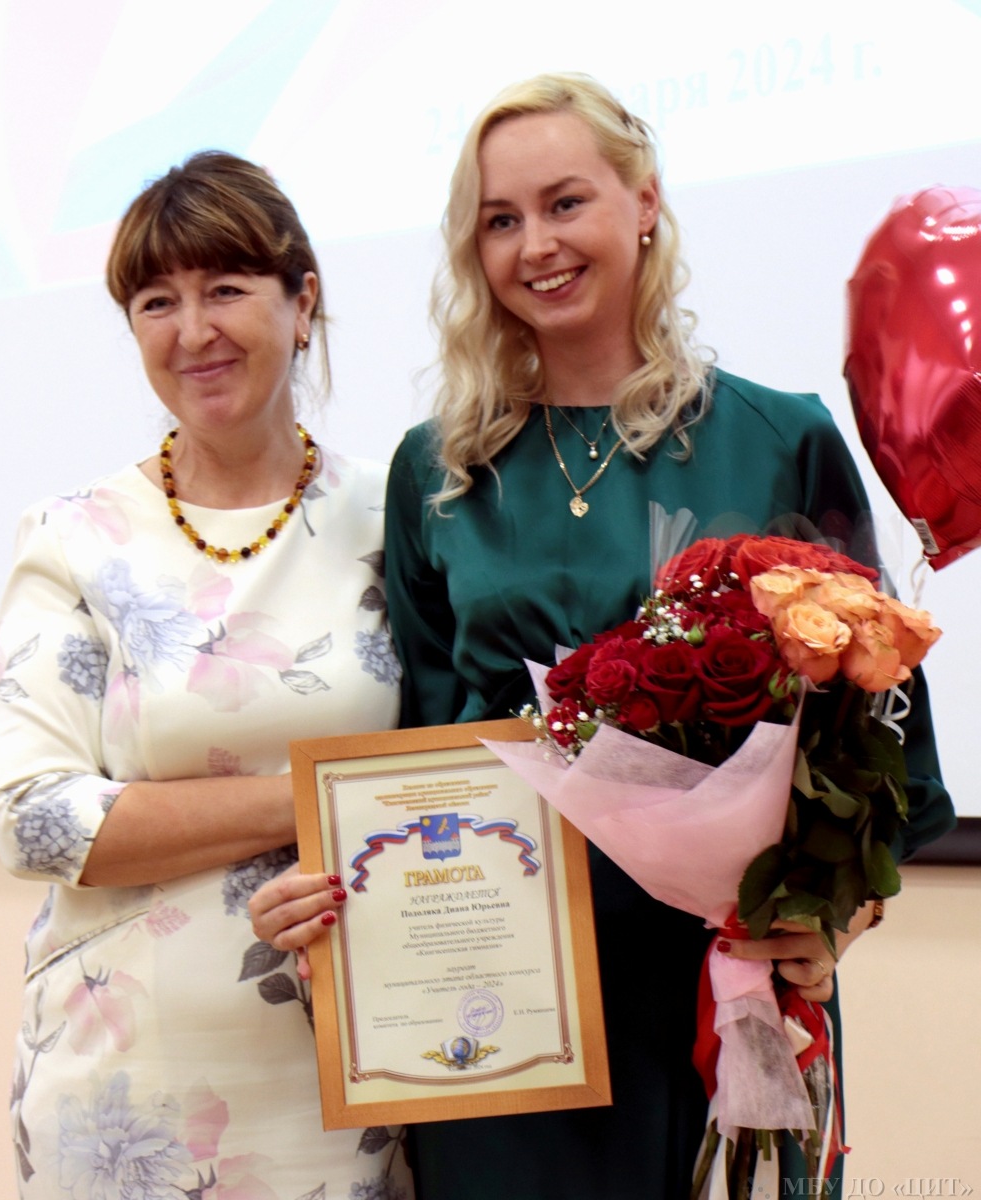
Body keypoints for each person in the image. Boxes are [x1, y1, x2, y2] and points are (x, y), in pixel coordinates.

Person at [250, 75, 954, 1198]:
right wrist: (343, 887)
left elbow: (884, 745)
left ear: (644, 203)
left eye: (564, 202)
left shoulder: (781, 438)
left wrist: (831, 929)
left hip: (722, 986)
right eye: (500, 220)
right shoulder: (437, 468)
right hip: (499, 989)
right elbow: (419, 740)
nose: (535, 244)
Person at [0, 152, 413, 1200]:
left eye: (225, 289)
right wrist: (320, 798)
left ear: (302, 302)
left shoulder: (401, 516)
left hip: (354, 1069)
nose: (192, 331)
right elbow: (36, 820)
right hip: (125, 1086)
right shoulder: (74, 536)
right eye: (156, 302)